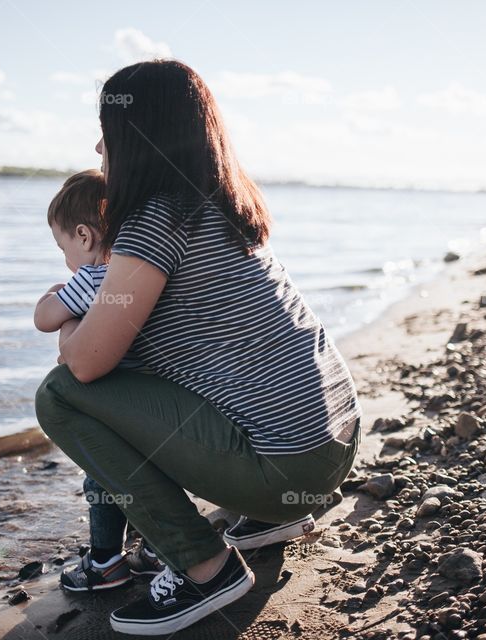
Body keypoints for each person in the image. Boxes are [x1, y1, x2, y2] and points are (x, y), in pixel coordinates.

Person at [35, 59, 361, 636]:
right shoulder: (221, 204)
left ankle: (206, 568)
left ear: (139, 136)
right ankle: (266, 516)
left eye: (107, 131)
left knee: (59, 396)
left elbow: (82, 364)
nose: (98, 145)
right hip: (332, 440)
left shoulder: (153, 223)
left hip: (289, 462)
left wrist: (71, 318)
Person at [33, 169, 163, 590]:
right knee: (153, 472)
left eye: (62, 247)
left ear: (84, 236)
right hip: (154, 399)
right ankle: (156, 551)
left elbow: (44, 319)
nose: (65, 258)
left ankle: (105, 561)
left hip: (110, 399)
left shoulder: (90, 279)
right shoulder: (138, 274)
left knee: (102, 474)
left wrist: (53, 295)